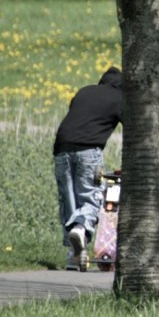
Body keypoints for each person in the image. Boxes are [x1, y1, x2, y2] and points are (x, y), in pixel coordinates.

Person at [53, 66, 124, 271]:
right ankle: (82, 227)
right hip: (88, 151)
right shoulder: (120, 97)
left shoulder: (84, 91)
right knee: (90, 196)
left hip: (61, 149)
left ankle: (73, 258)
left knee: (69, 200)